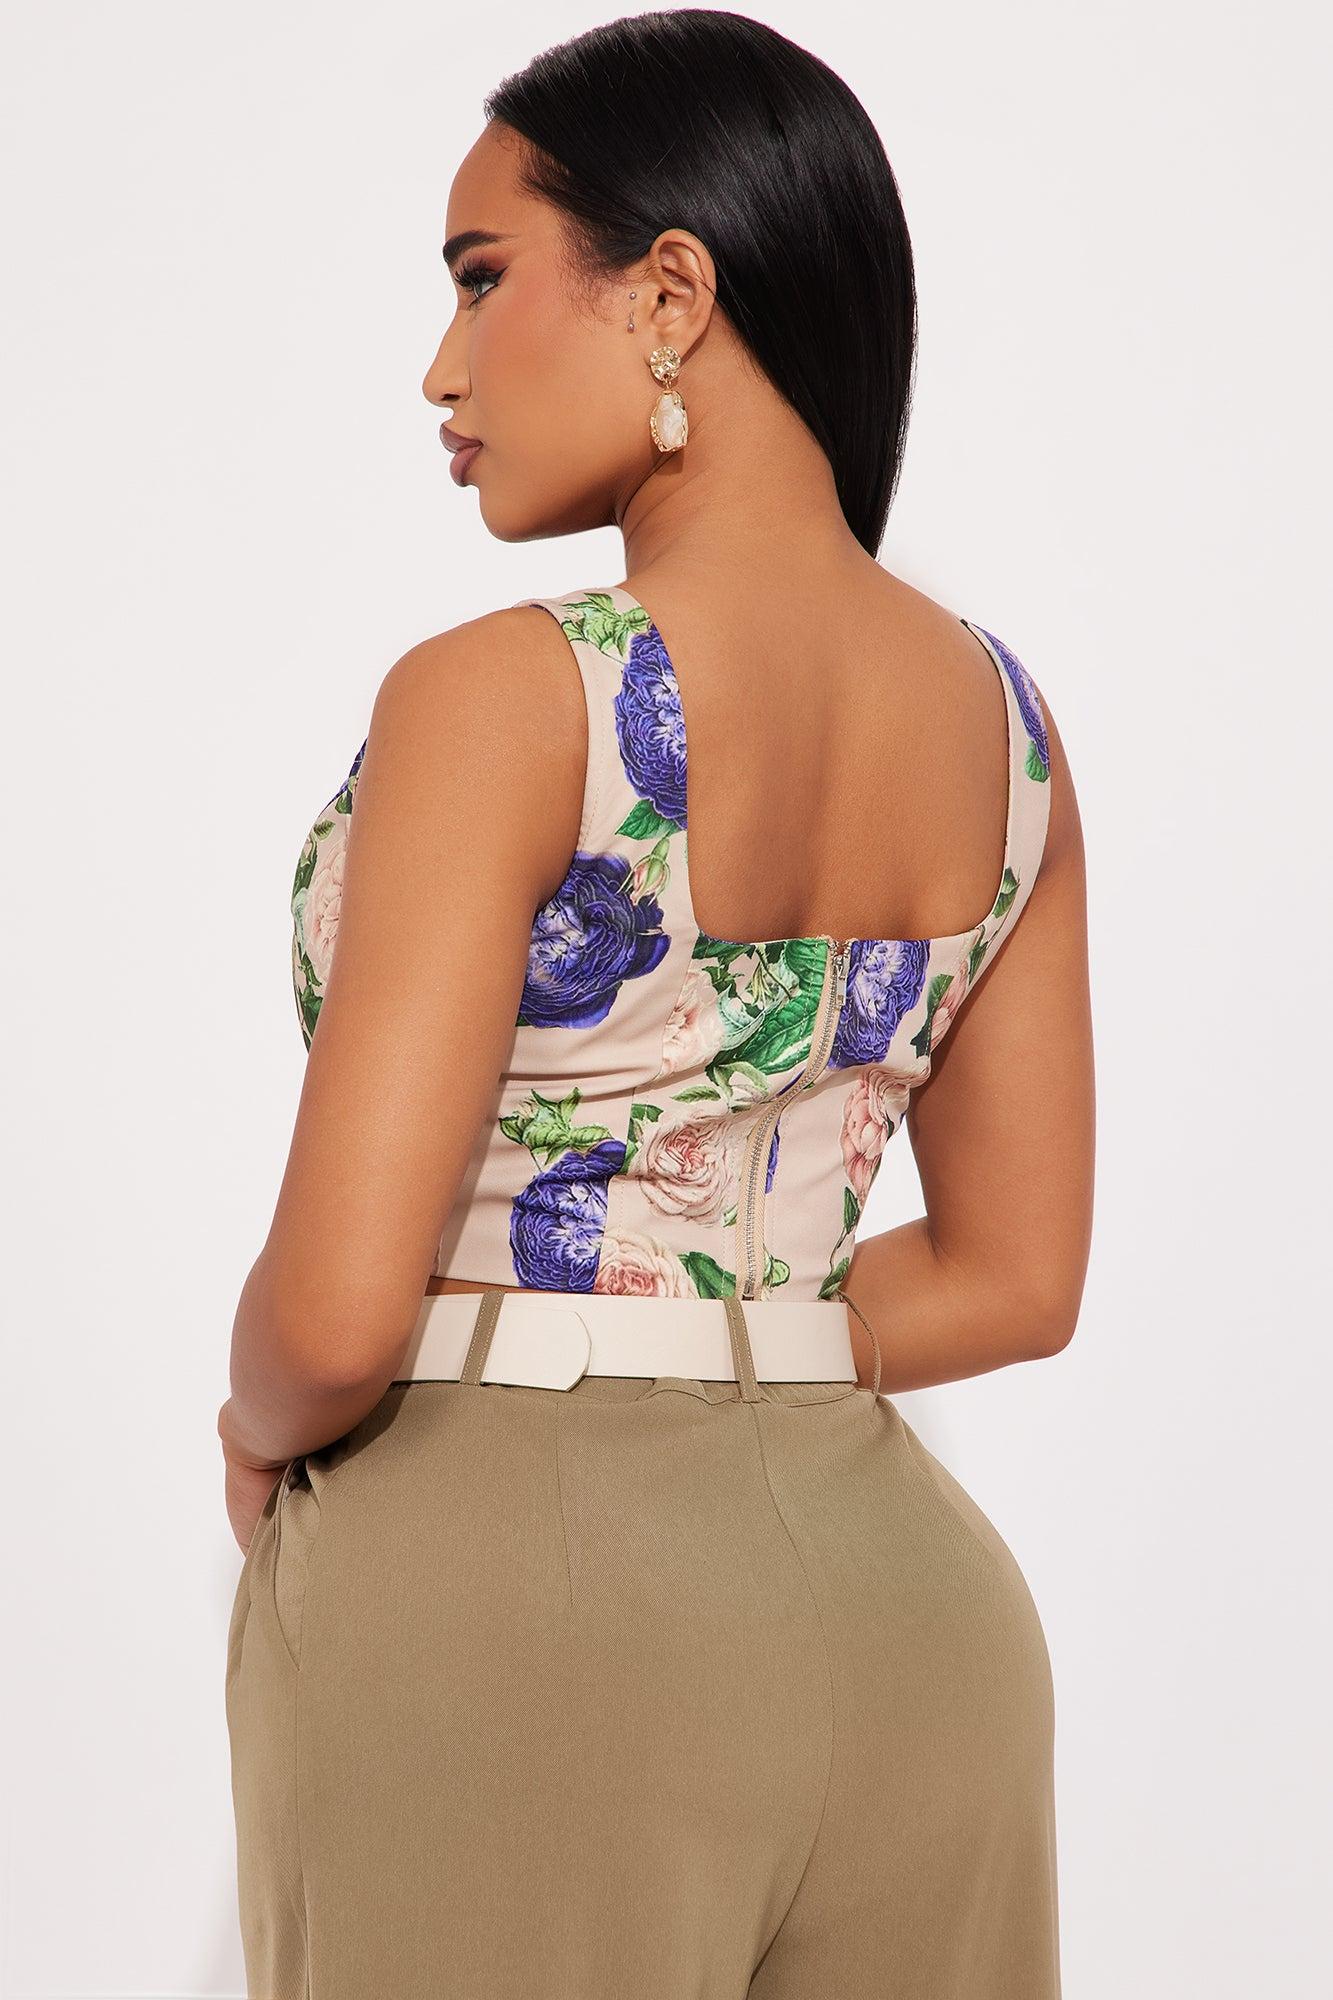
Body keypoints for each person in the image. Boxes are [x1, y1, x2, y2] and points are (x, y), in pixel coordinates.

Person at [218, 11, 1094, 1996]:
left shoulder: (508, 695)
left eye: (481, 278)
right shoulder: (1009, 730)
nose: (441, 368)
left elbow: (339, 1312)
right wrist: (733, 1341)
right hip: (915, 1631)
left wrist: (254, 1427)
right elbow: (1017, 1278)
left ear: (671, 295)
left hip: (517, 1621)